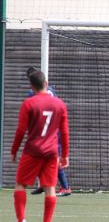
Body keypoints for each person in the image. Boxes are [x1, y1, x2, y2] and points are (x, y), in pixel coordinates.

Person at [11, 70, 70, 222]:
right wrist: (65, 155)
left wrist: (14, 150)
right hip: (51, 152)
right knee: (50, 187)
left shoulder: (28, 103)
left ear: (32, 87)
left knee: (20, 184)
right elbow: (64, 132)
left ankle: (22, 219)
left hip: (32, 151)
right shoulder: (60, 104)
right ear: (46, 84)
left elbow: (21, 130)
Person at [26, 67, 72, 197]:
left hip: (46, 133)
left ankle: (65, 187)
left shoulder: (32, 93)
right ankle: (44, 184)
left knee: (52, 159)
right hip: (53, 129)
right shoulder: (51, 90)